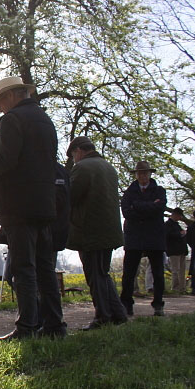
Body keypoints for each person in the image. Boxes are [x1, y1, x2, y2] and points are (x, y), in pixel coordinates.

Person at [0, 76, 66, 340]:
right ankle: (55, 325)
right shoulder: (44, 120)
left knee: (24, 268)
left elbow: (7, 164)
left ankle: (27, 327)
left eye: (1, 101)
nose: (0, 107)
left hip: (18, 205)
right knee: (45, 267)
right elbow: (30, 159)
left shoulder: (11, 120)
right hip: (44, 203)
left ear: (12, 96)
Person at [64, 137, 128, 329]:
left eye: (73, 155)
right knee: (102, 273)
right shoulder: (108, 167)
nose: (74, 159)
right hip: (108, 230)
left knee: (95, 275)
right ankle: (118, 314)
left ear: (78, 150)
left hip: (90, 230)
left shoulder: (83, 168)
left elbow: (71, 196)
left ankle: (102, 316)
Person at [120, 161, 167, 316]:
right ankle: (126, 304)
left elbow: (160, 208)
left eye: (145, 173)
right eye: (140, 173)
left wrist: (137, 206)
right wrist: (149, 206)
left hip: (154, 235)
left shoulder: (159, 191)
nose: (143, 176)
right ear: (136, 175)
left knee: (158, 273)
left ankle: (158, 304)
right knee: (129, 273)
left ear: (150, 174)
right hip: (134, 236)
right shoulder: (129, 193)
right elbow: (127, 212)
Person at [165, 207, 189, 293]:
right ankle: (175, 288)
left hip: (181, 250)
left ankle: (182, 288)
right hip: (174, 250)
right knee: (176, 270)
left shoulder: (177, 224)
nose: (180, 218)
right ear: (175, 215)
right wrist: (179, 234)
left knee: (182, 270)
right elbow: (168, 236)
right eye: (179, 216)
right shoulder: (167, 224)